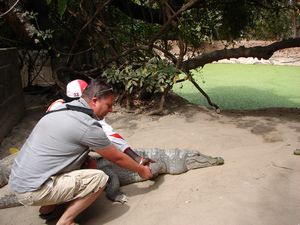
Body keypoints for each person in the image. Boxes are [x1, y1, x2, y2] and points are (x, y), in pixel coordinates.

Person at [9, 79, 153, 225]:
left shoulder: (60, 108)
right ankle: (66, 221)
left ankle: (47, 209)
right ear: (95, 101)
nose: (111, 110)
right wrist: (141, 169)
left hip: (18, 180)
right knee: (99, 178)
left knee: (86, 162)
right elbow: (118, 158)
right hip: (32, 190)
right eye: (109, 105)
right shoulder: (87, 125)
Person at [47, 79, 154, 166]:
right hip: (59, 162)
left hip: (45, 154)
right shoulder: (87, 116)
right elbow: (111, 136)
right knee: (92, 164)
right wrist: (136, 158)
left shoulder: (57, 105)